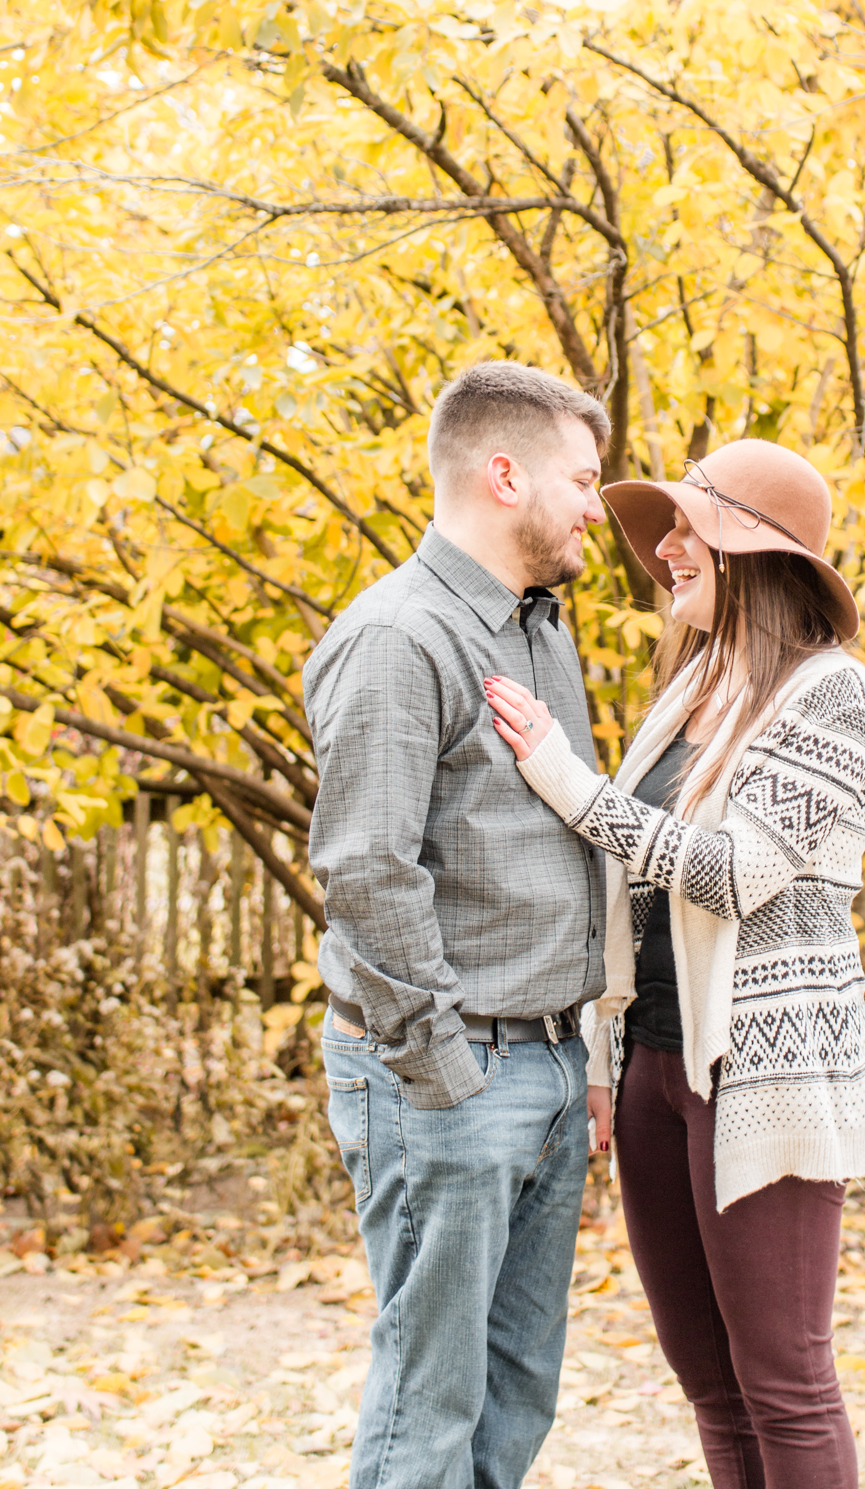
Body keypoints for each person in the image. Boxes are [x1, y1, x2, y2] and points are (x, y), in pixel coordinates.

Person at [485, 439, 865, 1489]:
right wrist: (606, 1054)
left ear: (749, 552)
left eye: (686, 528)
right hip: (659, 1061)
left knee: (784, 1382)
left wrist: (566, 780)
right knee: (709, 1380)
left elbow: (731, 872)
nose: (662, 548)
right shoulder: (695, 685)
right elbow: (637, 895)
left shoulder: (832, 694)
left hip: (766, 1068)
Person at [304, 361, 613, 1489]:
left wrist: (577, 1054)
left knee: (518, 1383)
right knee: (430, 1396)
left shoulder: (538, 628)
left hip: (543, 1062)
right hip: (447, 1070)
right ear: (503, 473)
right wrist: (444, 1069)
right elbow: (365, 869)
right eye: (582, 478)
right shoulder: (397, 636)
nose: (595, 503)